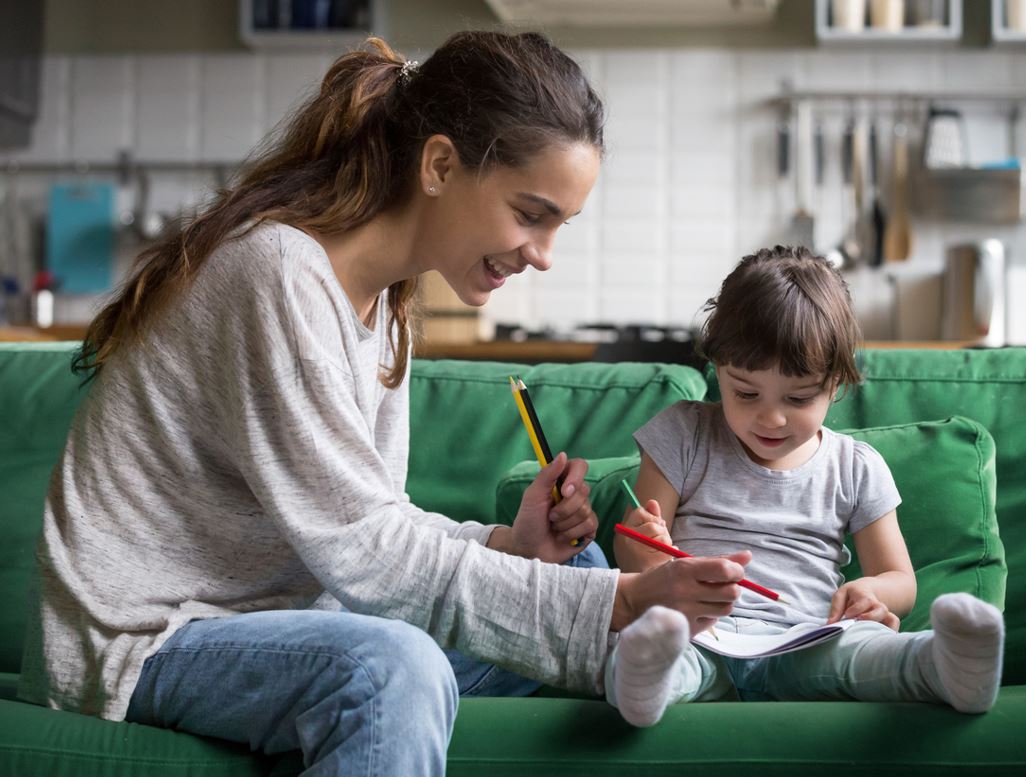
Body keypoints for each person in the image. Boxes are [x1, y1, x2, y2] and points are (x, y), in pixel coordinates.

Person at [18, 32, 753, 775]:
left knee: (582, 572)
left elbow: (375, 522)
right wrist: (620, 605)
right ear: (438, 165)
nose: (543, 253)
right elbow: (364, 550)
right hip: (146, 638)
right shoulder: (276, 273)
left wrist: (511, 545)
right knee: (393, 668)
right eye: (531, 213)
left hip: (290, 622)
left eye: (559, 224)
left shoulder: (389, 305)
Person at [606, 245, 1006, 727]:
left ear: (835, 383)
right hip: (697, 631)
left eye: (798, 397)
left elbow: (900, 580)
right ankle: (643, 682)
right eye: (745, 393)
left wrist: (870, 590)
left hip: (805, 639)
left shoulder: (856, 466)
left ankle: (944, 667)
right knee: (651, 643)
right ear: (719, 369)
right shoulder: (682, 434)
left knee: (867, 652)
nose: (771, 417)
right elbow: (637, 559)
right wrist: (643, 547)